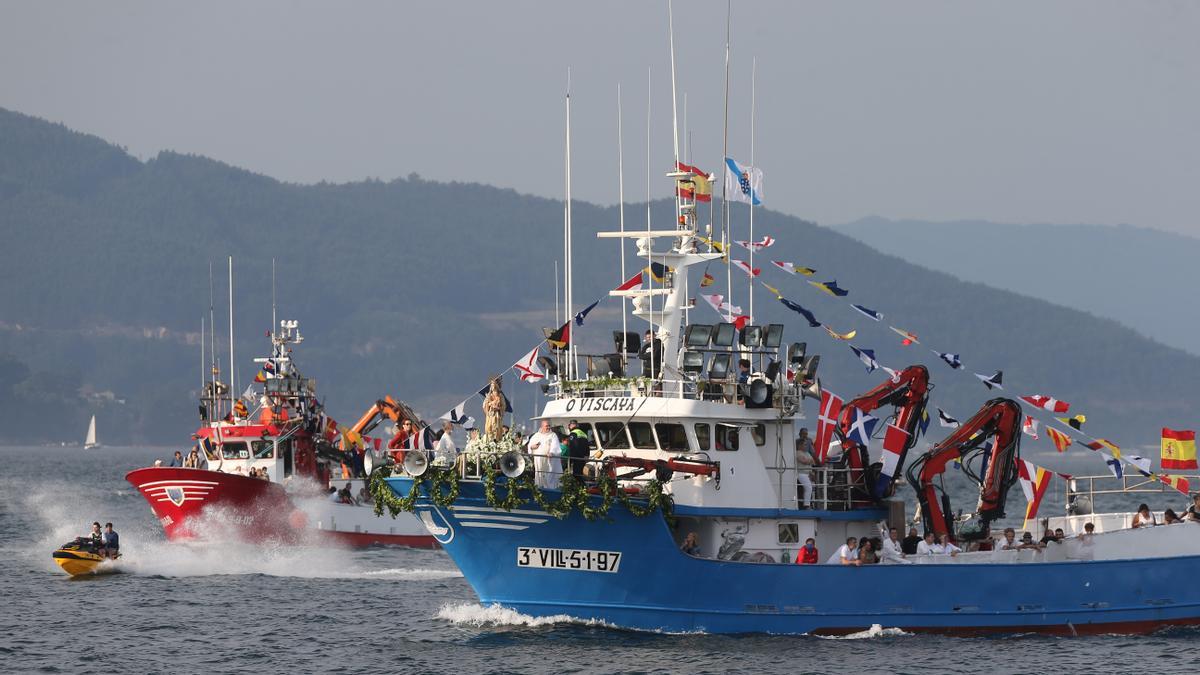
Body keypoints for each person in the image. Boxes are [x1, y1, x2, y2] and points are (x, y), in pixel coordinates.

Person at [527, 420, 563, 489]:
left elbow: (555, 446)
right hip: (539, 460)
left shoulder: (553, 435)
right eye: (547, 426)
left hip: (549, 460)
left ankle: (549, 490)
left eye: (549, 426)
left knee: (549, 476)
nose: (548, 427)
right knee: (540, 475)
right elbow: (530, 445)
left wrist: (552, 452)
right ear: (542, 426)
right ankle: (539, 488)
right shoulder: (536, 435)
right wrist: (532, 447)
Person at [794, 432, 816, 508]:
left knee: (811, 489)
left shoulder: (806, 453)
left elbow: (812, 461)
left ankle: (810, 504)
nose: (806, 446)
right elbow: (804, 461)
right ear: (800, 445)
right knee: (808, 488)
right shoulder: (797, 453)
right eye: (805, 444)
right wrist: (808, 461)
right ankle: (806, 505)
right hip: (801, 473)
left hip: (808, 473)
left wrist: (808, 461)